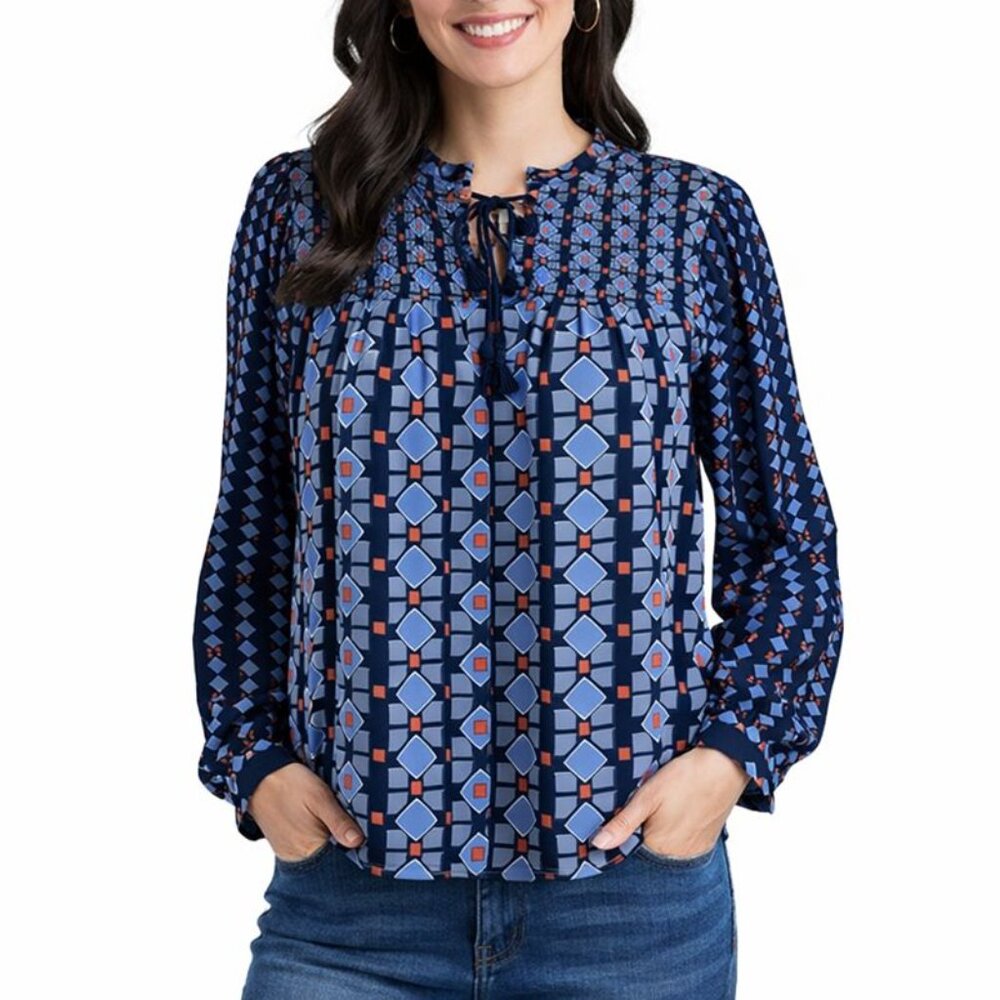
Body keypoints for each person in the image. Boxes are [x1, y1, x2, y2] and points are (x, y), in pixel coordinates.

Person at [191, 2, 845, 997]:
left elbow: (787, 533)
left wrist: (731, 755)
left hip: (628, 903)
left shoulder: (691, 221)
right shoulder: (302, 208)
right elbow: (255, 520)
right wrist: (254, 758)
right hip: (350, 899)